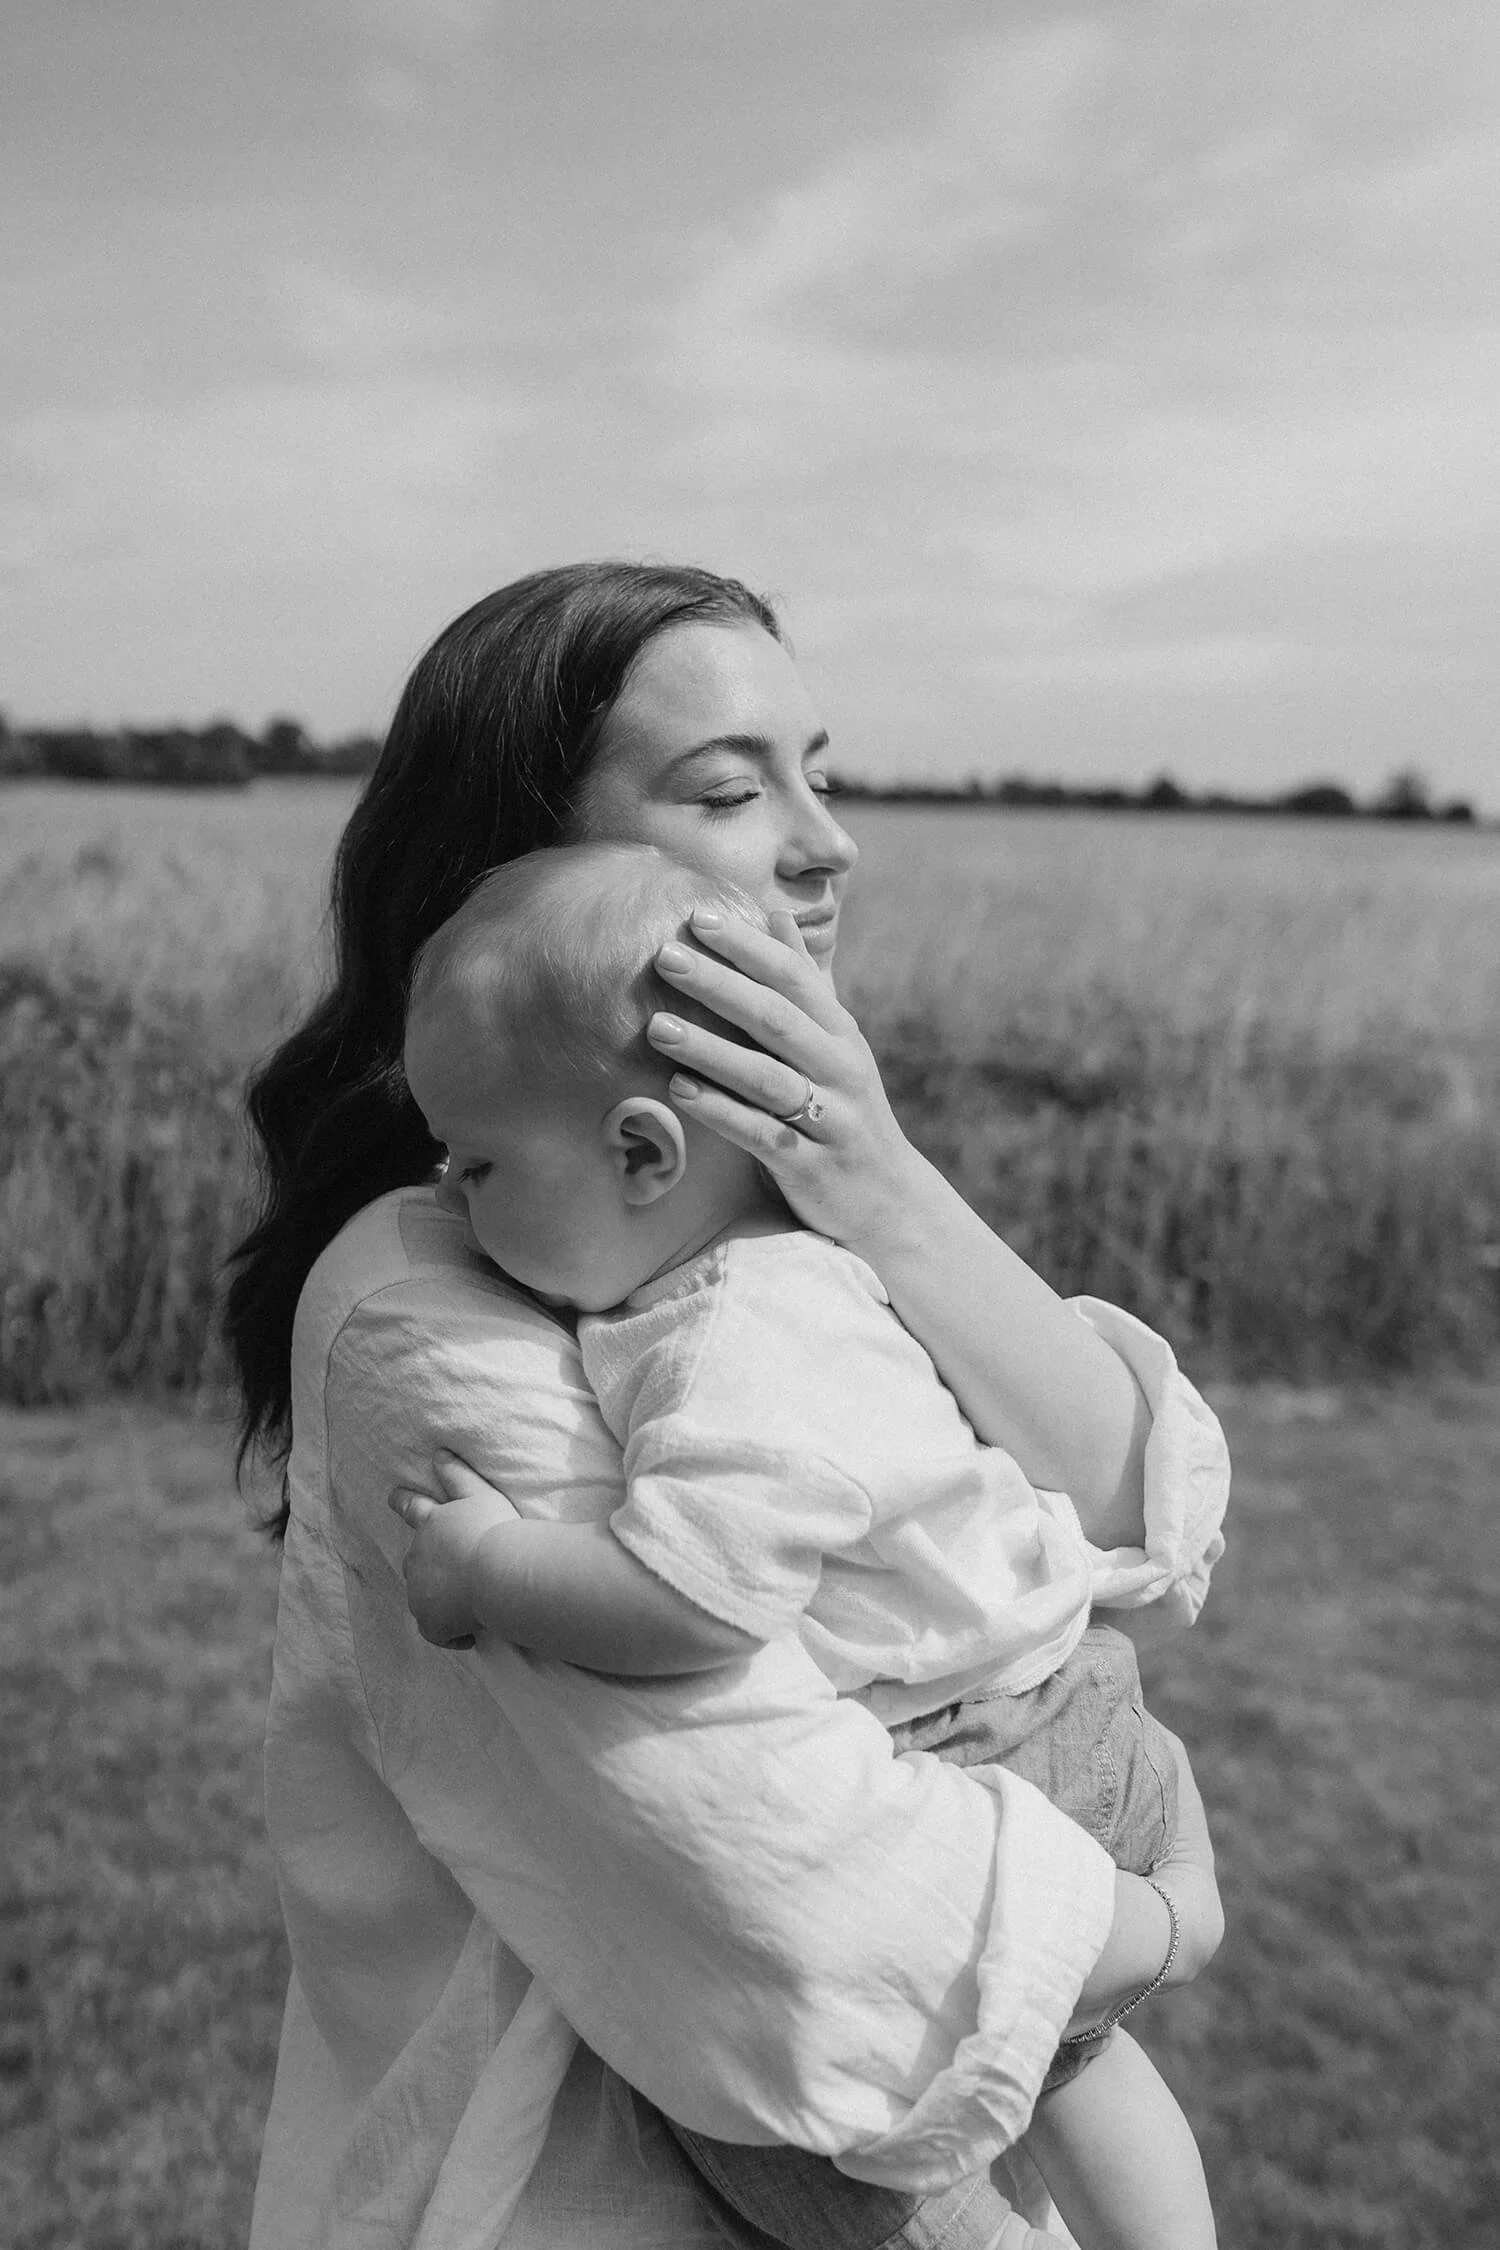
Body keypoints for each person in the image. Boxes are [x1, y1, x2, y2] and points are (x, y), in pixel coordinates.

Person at [228, 561, 1229, 2250]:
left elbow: (1136, 1508)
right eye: (728, 786)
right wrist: (1147, 1930)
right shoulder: (425, 1291)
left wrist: (884, 1177)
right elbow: (775, 1867)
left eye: (814, 766)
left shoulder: (737, 1217)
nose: (827, 841)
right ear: (534, 859)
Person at [391, 838, 1221, 2250]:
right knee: (1081, 2066)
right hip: (1074, 1706)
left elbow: (687, 1596)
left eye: (474, 1164)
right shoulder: (811, 1270)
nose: (448, 1195)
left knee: (832, 2154)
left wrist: (482, 1569)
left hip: (991, 1750)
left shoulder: (733, 1339)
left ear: (642, 1152)